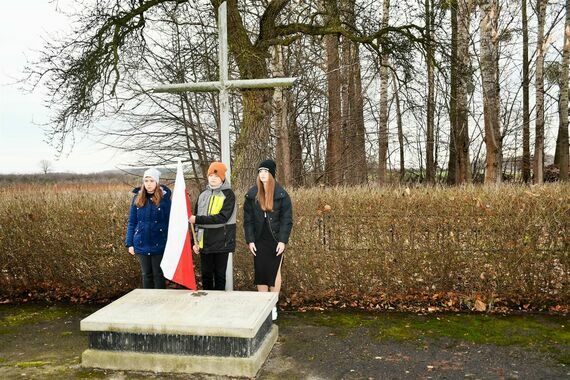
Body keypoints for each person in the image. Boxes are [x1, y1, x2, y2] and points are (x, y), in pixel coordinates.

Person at [243, 159, 293, 320]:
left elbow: (287, 220)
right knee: (261, 273)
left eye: (266, 172)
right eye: (260, 172)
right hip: (258, 240)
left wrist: (282, 241)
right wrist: (250, 240)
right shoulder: (252, 195)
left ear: (271, 174)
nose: (262, 174)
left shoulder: (281, 195)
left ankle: (273, 306)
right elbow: (248, 220)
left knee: (274, 272)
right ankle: (263, 306)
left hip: (275, 239)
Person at [189, 161, 236, 291]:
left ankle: (219, 307)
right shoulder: (202, 195)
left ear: (222, 178)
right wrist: (194, 242)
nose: (213, 179)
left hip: (222, 242)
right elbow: (195, 221)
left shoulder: (228, 194)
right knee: (206, 277)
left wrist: (197, 219)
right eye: (211, 176)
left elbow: (222, 218)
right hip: (205, 243)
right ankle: (207, 306)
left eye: (216, 176)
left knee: (220, 276)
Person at [125, 167, 172, 289]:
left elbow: (170, 222)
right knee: (146, 275)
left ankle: (161, 303)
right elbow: (132, 222)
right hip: (141, 242)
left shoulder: (165, 199)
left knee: (158, 274)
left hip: (159, 243)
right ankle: (148, 303)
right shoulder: (137, 198)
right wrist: (129, 243)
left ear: (157, 182)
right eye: (146, 181)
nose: (148, 184)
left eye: (151, 181)